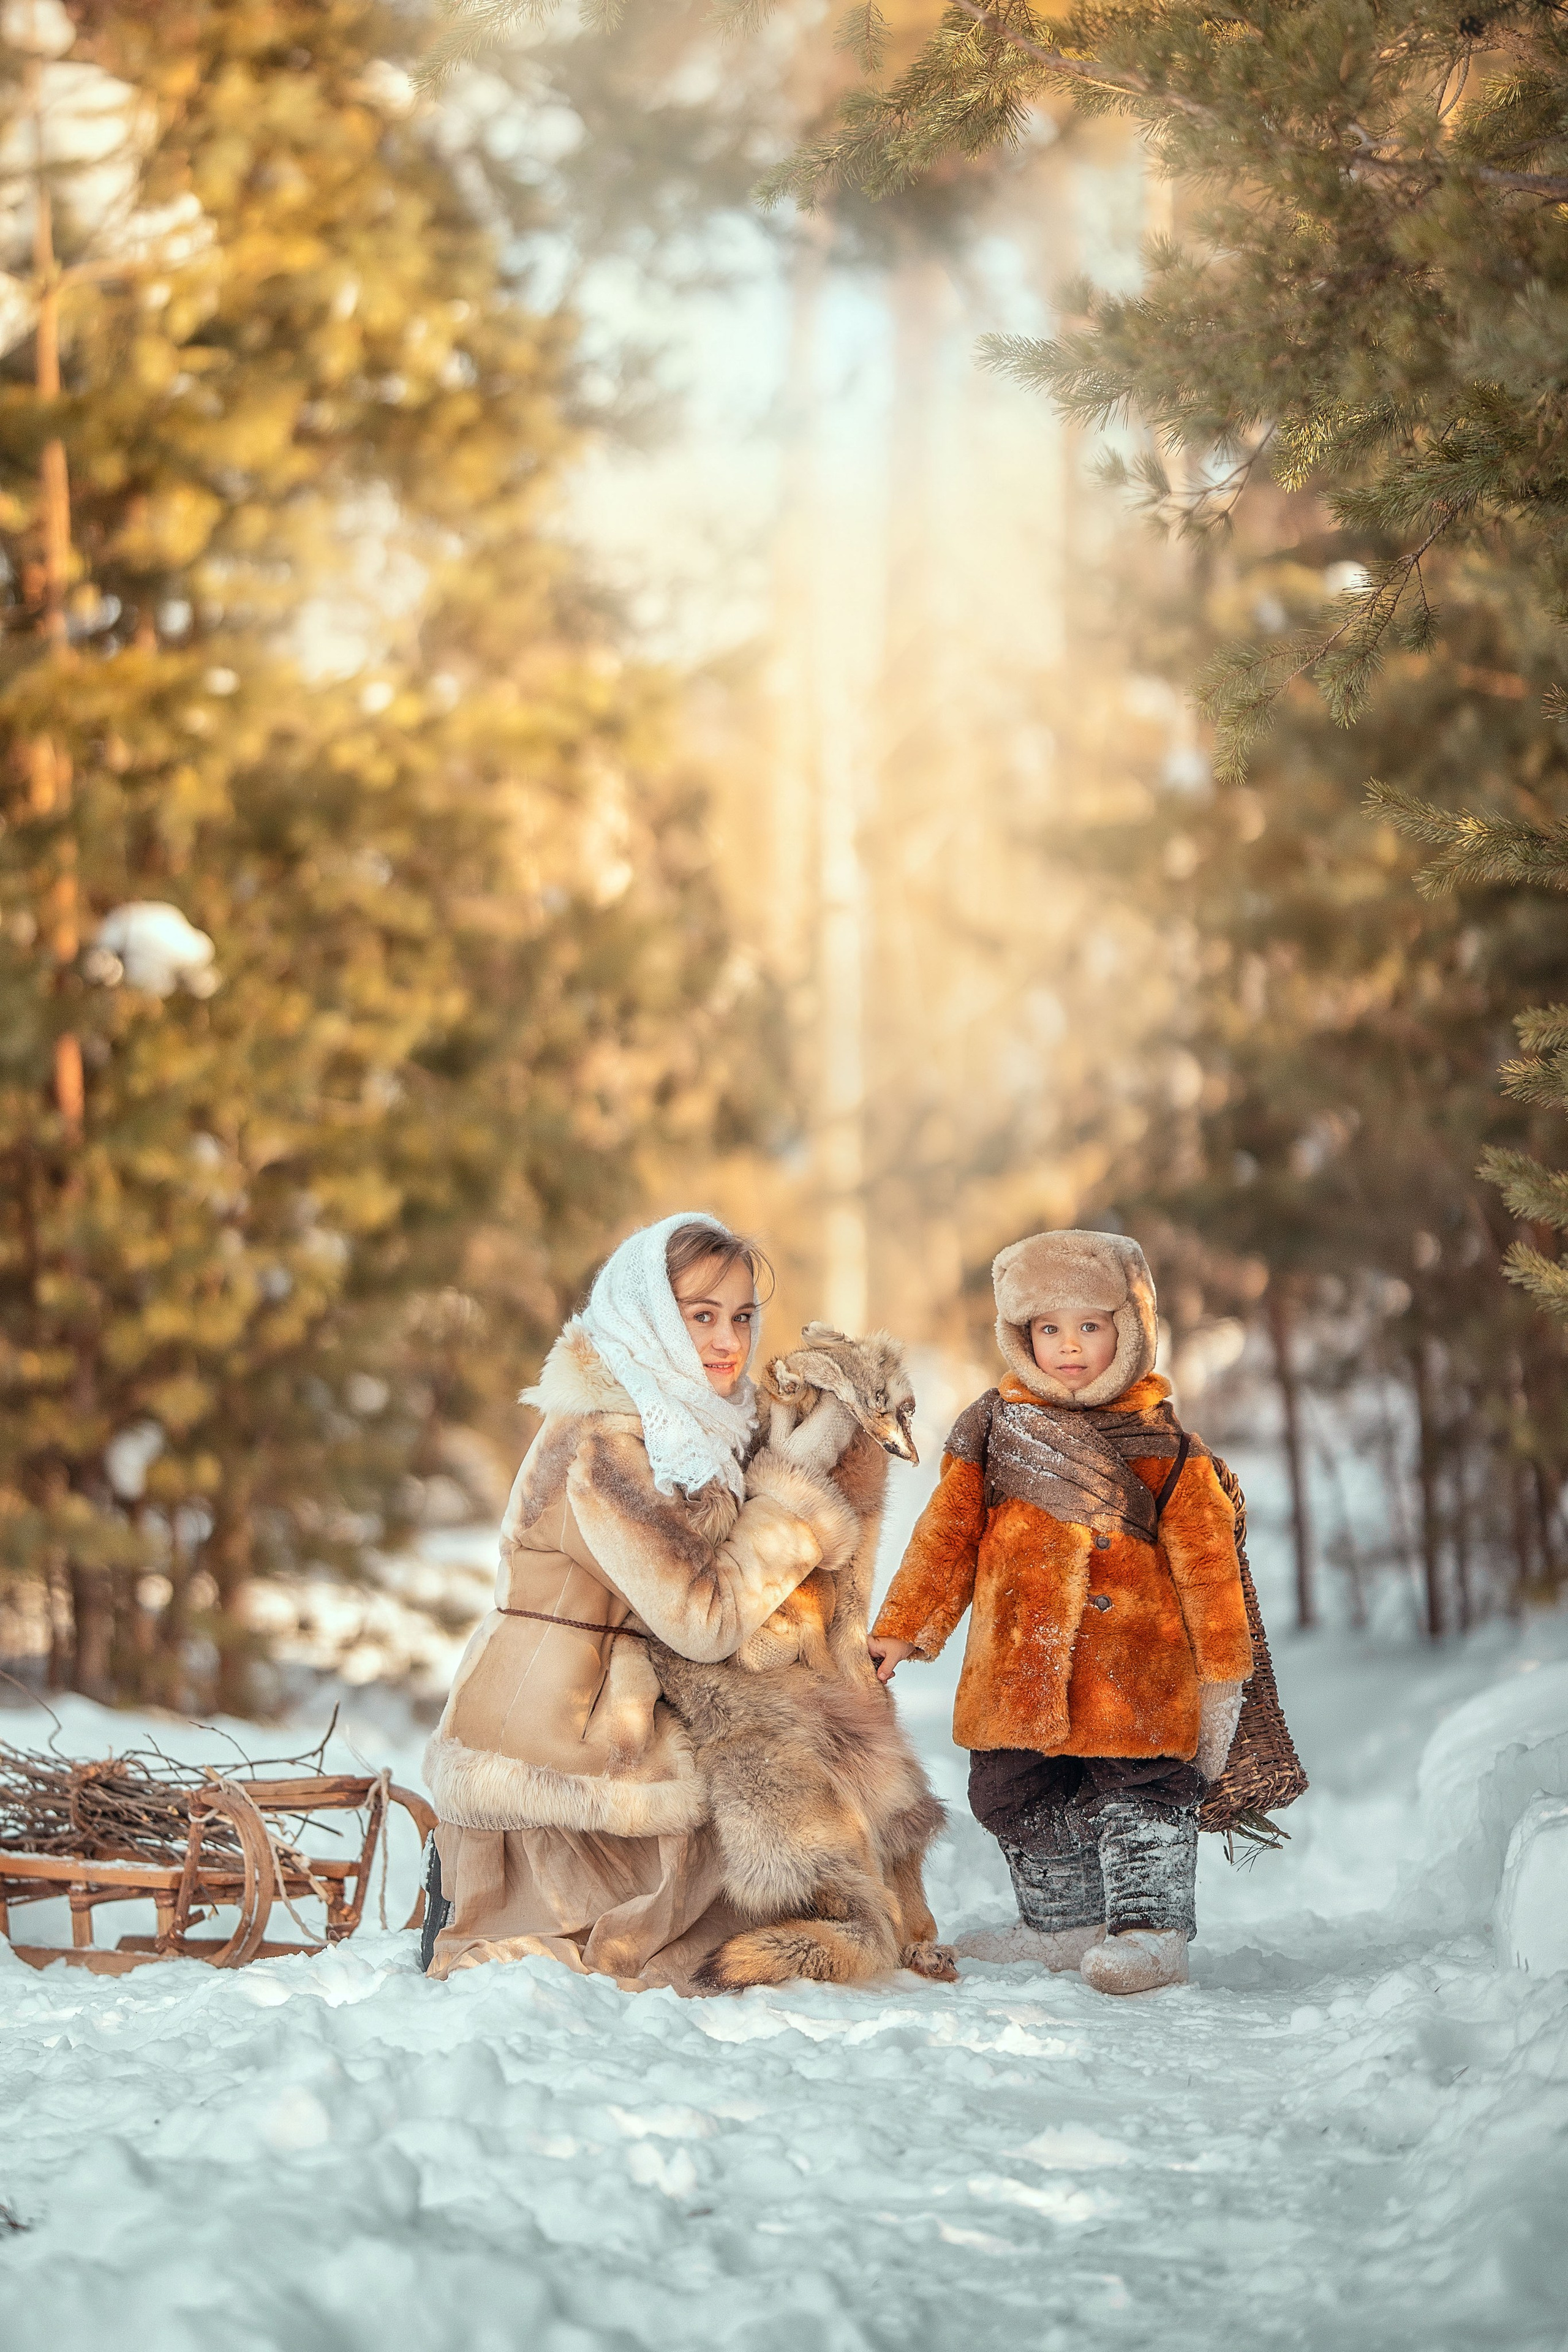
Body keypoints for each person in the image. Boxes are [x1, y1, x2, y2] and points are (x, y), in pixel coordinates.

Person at [421, 1211, 858, 1988]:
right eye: (700, 1316)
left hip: (626, 1697)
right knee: (671, 1939)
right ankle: (479, 1896)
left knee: (794, 1847)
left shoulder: (692, 1423)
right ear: (647, 1315)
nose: (727, 1341)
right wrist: (791, 1498)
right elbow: (705, 1619)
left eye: (742, 1317)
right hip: (564, 1724)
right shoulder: (607, 1442)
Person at [867, 1228, 1253, 1994]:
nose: (1068, 1346)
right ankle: (1062, 1926)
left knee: (1141, 1795)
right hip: (1016, 1674)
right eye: (1047, 1328)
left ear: (1130, 1328)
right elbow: (945, 1539)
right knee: (1011, 1792)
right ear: (1020, 1334)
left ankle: (1150, 1933)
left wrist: (1221, 1679)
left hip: (1135, 1680)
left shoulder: (1168, 1447)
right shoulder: (992, 1433)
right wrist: (903, 1628)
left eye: (1090, 1325)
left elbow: (1209, 1573)